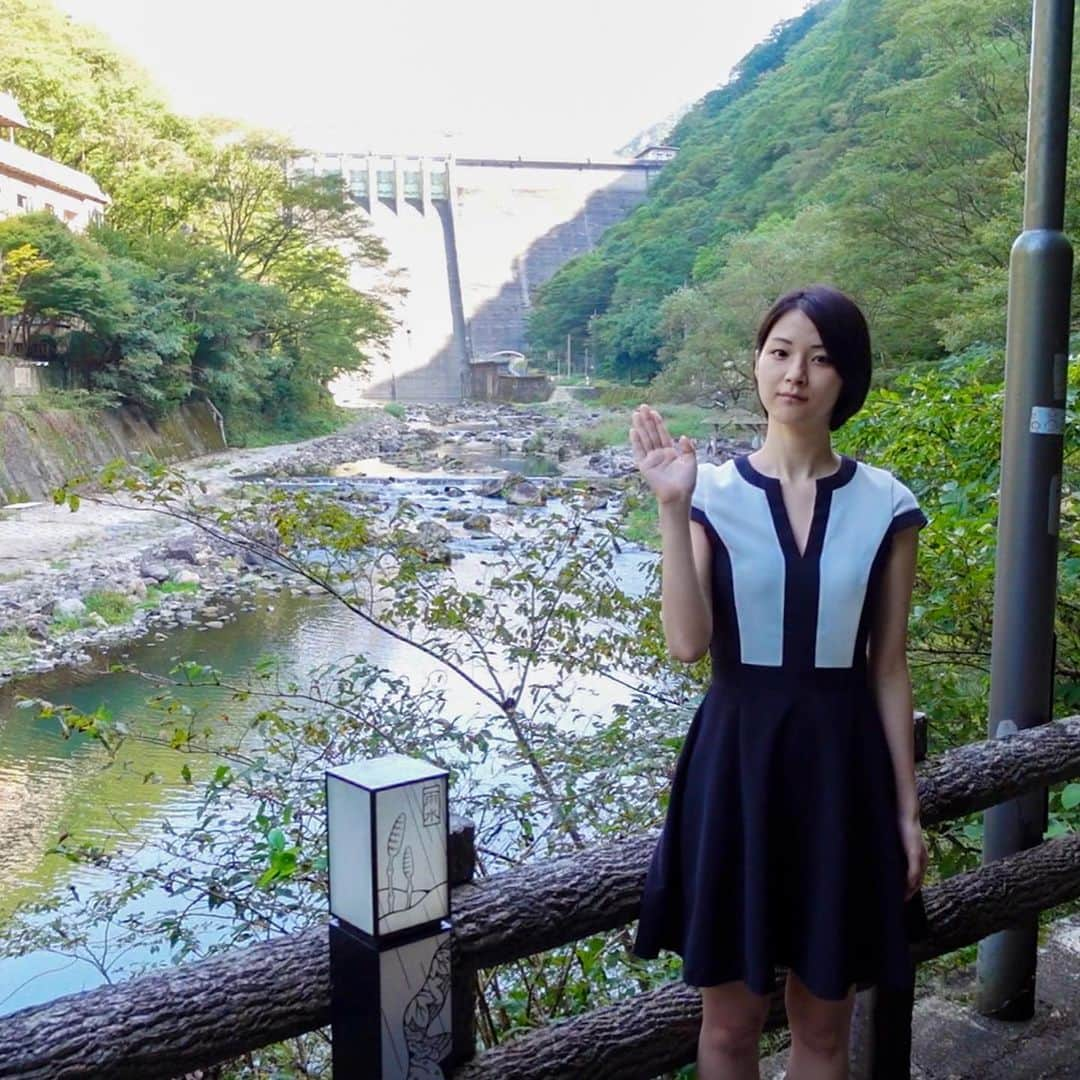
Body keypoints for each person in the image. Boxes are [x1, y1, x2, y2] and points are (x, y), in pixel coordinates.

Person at [628, 285, 929, 1080]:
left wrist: (907, 812)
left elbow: (888, 667)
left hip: (842, 771)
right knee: (729, 1026)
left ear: (847, 379)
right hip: (737, 768)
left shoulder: (887, 503)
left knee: (824, 1027)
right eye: (781, 352)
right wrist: (671, 507)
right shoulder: (711, 495)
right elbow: (688, 645)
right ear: (759, 364)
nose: (796, 374)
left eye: (821, 358)